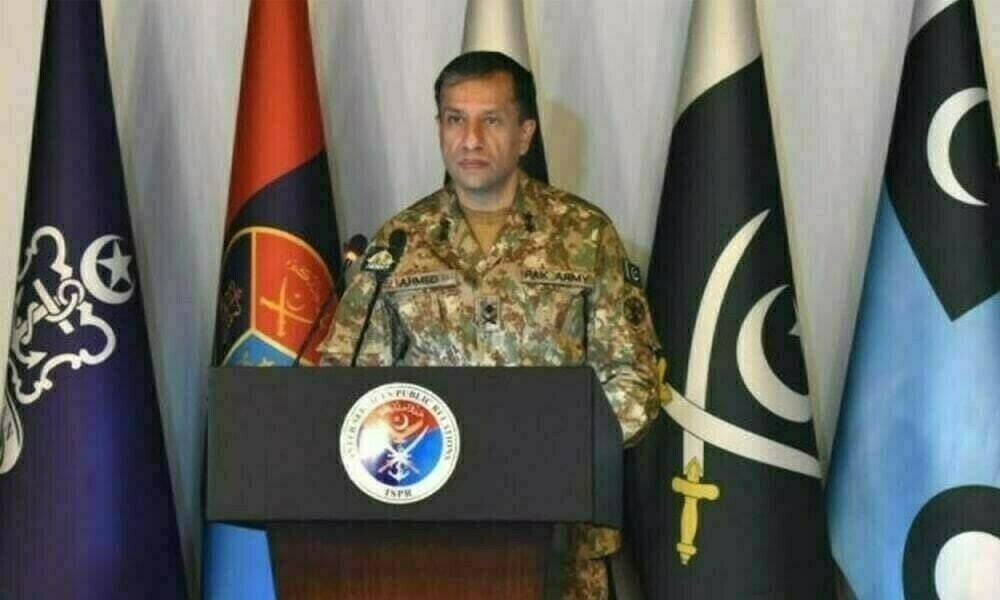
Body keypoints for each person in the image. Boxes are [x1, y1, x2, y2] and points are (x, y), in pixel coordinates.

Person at [319, 50, 664, 600]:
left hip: (557, 535)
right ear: (439, 128)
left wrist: (548, 456)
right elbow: (348, 381)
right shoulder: (399, 241)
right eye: (455, 119)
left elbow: (634, 382)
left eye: (492, 121)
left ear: (525, 134)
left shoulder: (584, 234)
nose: (471, 139)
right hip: (425, 536)